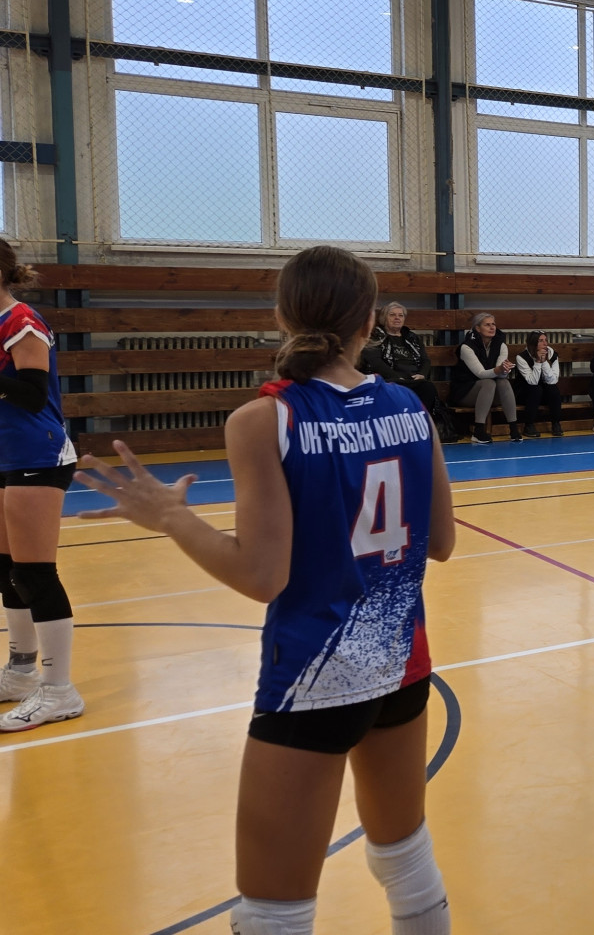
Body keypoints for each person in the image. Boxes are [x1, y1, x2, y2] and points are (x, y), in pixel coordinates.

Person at [74, 245, 456, 934]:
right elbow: (442, 542)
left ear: (281, 317)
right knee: (405, 860)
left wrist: (172, 518)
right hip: (401, 664)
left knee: (273, 914)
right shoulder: (411, 407)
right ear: (370, 322)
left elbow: (260, 576)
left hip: (314, 678)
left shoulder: (264, 420)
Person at [0, 240, 83, 731]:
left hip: (38, 454)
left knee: (34, 573)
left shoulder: (21, 321)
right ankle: (20, 673)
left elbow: (32, 396)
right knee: (7, 570)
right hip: (6, 456)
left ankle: (59, 690)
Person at [362, 303, 456, 444]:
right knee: (395, 386)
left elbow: (425, 360)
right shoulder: (376, 336)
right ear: (383, 318)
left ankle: (419, 428)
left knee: (427, 387)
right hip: (389, 378)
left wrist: (422, 374)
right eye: (392, 315)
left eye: (400, 315)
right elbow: (374, 361)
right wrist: (396, 376)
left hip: (413, 379)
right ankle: (397, 431)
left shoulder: (411, 337)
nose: (397, 318)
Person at [451, 313, 520, 444]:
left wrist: (504, 370)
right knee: (488, 383)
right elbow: (480, 373)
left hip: (490, 393)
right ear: (477, 328)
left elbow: (500, 373)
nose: (492, 327)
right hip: (465, 391)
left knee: (503, 382)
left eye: (493, 324)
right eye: (487, 325)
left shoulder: (501, 345)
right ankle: (478, 431)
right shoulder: (467, 347)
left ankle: (514, 429)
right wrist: (498, 370)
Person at [513, 332, 565, 438]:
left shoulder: (552, 355)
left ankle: (556, 423)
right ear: (533, 343)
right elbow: (532, 382)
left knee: (553, 389)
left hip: (544, 393)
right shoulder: (522, 357)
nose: (545, 343)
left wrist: (544, 362)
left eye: (546, 340)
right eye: (541, 341)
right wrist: (537, 362)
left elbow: (553, 380)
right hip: (525, 393)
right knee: (536, 389)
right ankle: (528, 425)